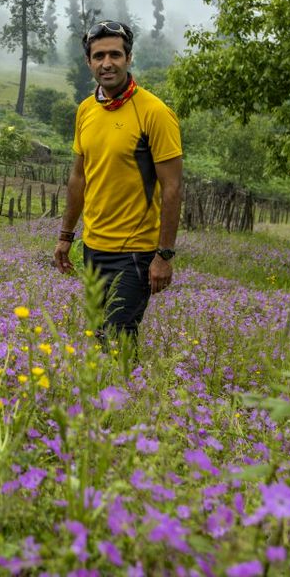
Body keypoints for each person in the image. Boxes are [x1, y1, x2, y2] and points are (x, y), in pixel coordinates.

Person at [53, 20, 183, 346]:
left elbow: (173, 187)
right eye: (99, 56)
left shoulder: (155, 112)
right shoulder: (86, 110)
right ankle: (112, 394)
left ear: (128, 58)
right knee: (99, 337)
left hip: (136, 252)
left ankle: (128, 394)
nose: (107, 63)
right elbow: (79, 176)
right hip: (94, 247)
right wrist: (66, 236)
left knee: (118, 337)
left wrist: (164, 255)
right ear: (89, 62)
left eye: (115, 54)